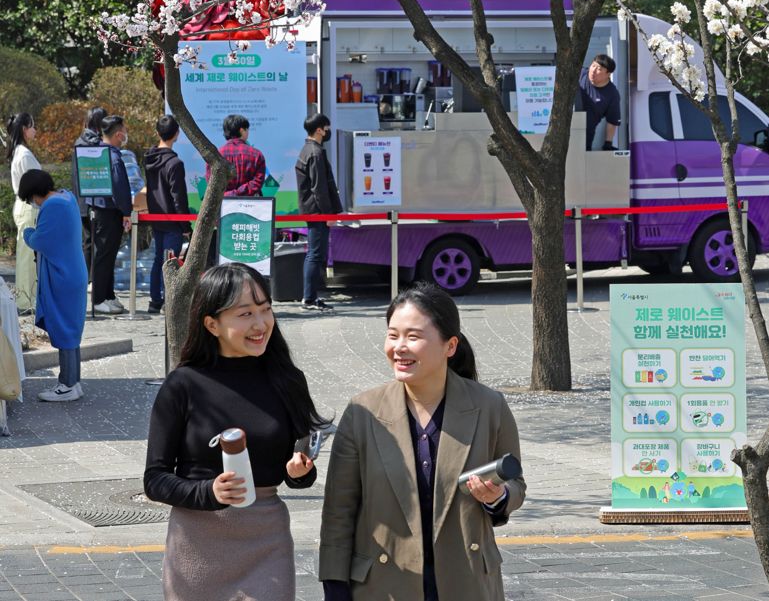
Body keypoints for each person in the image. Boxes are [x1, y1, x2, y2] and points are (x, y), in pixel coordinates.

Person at [319, 282, 525, 601]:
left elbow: (516, 485)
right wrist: (334, 584)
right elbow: (338, 510)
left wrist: (497, 497)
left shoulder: (488, 406)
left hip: (466, 580)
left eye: (413, 337)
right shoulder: (363, 412)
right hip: (384, 584)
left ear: (450, 345)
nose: (399, 347)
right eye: (392, 335)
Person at [144, 263, 324, 601]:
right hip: (197, 541)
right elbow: (155, 479)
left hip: (265, 538)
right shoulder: (182, 385)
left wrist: (299, 472)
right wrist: (209, 491)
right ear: (212, 324)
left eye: (265, 309)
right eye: (245, 314)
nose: (260, 324)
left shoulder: (287, 379)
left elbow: (298, 472)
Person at [18, 169, 88, 402]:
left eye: (30, 199)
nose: (32, 203)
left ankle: (66, 385)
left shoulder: (52, 206)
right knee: (71, 330)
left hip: (62, 277)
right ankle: (73, 382)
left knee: (64, 331)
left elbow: (41, 240)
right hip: (73, 273)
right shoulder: (66, 197)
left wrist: (27, 232)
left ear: (35, 193)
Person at [144, 114, 191, 315]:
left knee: (158, 259)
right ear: (177, 134)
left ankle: (155, 300)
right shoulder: (175, 163)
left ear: (158, 133)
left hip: (156, 217)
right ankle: (168, 301)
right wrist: (186, 226)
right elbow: (178, 197)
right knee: (170, 262)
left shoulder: (148, 160)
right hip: (173, 219)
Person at [85, 115, 132, 315]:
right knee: (104, 255)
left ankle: (108, 295)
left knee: (108, 255)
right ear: (118, 134)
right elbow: (120, 188)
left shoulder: (97, 152)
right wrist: (127, 212)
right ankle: (99, 299)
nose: (126, 134)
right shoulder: (113, 157)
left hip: (99, 209)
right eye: (124, 130)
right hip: (109, 212)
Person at [295, 113, 342, 311]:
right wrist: (328, 214)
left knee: (314, 254)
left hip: (312, 211)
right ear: (319, 130)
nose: (329, 131)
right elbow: (319, 188)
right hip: (317, 212)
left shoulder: (309, 149)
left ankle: (311, 297)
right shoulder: (315, 152)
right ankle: (309, 298)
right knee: (315, 254)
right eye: (327, 127)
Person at [6, 112, 41, 315]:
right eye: (32, 126)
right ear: (24, 129)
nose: (35, 130)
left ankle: (26, 298)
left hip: (24, 206)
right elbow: (34, 185)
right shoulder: (24, 154)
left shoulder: (19, 152)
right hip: (29, 207)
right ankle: (26, 300)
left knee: (26, 256)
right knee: (28, 257)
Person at [71, 105, 107, 261]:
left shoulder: (79, 142)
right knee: (97, 242)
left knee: (86, 241)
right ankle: (92, 280)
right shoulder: (97, 145)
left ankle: (86, 281)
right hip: (96, 201)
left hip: (80, 201)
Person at [206, 114, 267, 197]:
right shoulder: (257, 155)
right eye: (247, 129)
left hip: (223, 204)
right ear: (242, 130)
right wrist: (238, 193)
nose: (248, 132)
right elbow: (257, 182)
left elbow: (211, 182)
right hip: (250, 205)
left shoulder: (216, 155)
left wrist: (228, 194)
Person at [577, 54, 621, 151]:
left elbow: (612, 121)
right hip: (565, 128)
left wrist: (608, 143)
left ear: (608, 74)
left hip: (585, 136)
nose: (593, 71)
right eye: (593, 66)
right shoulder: (580, 74)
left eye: (599, 69)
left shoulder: (612, 94)